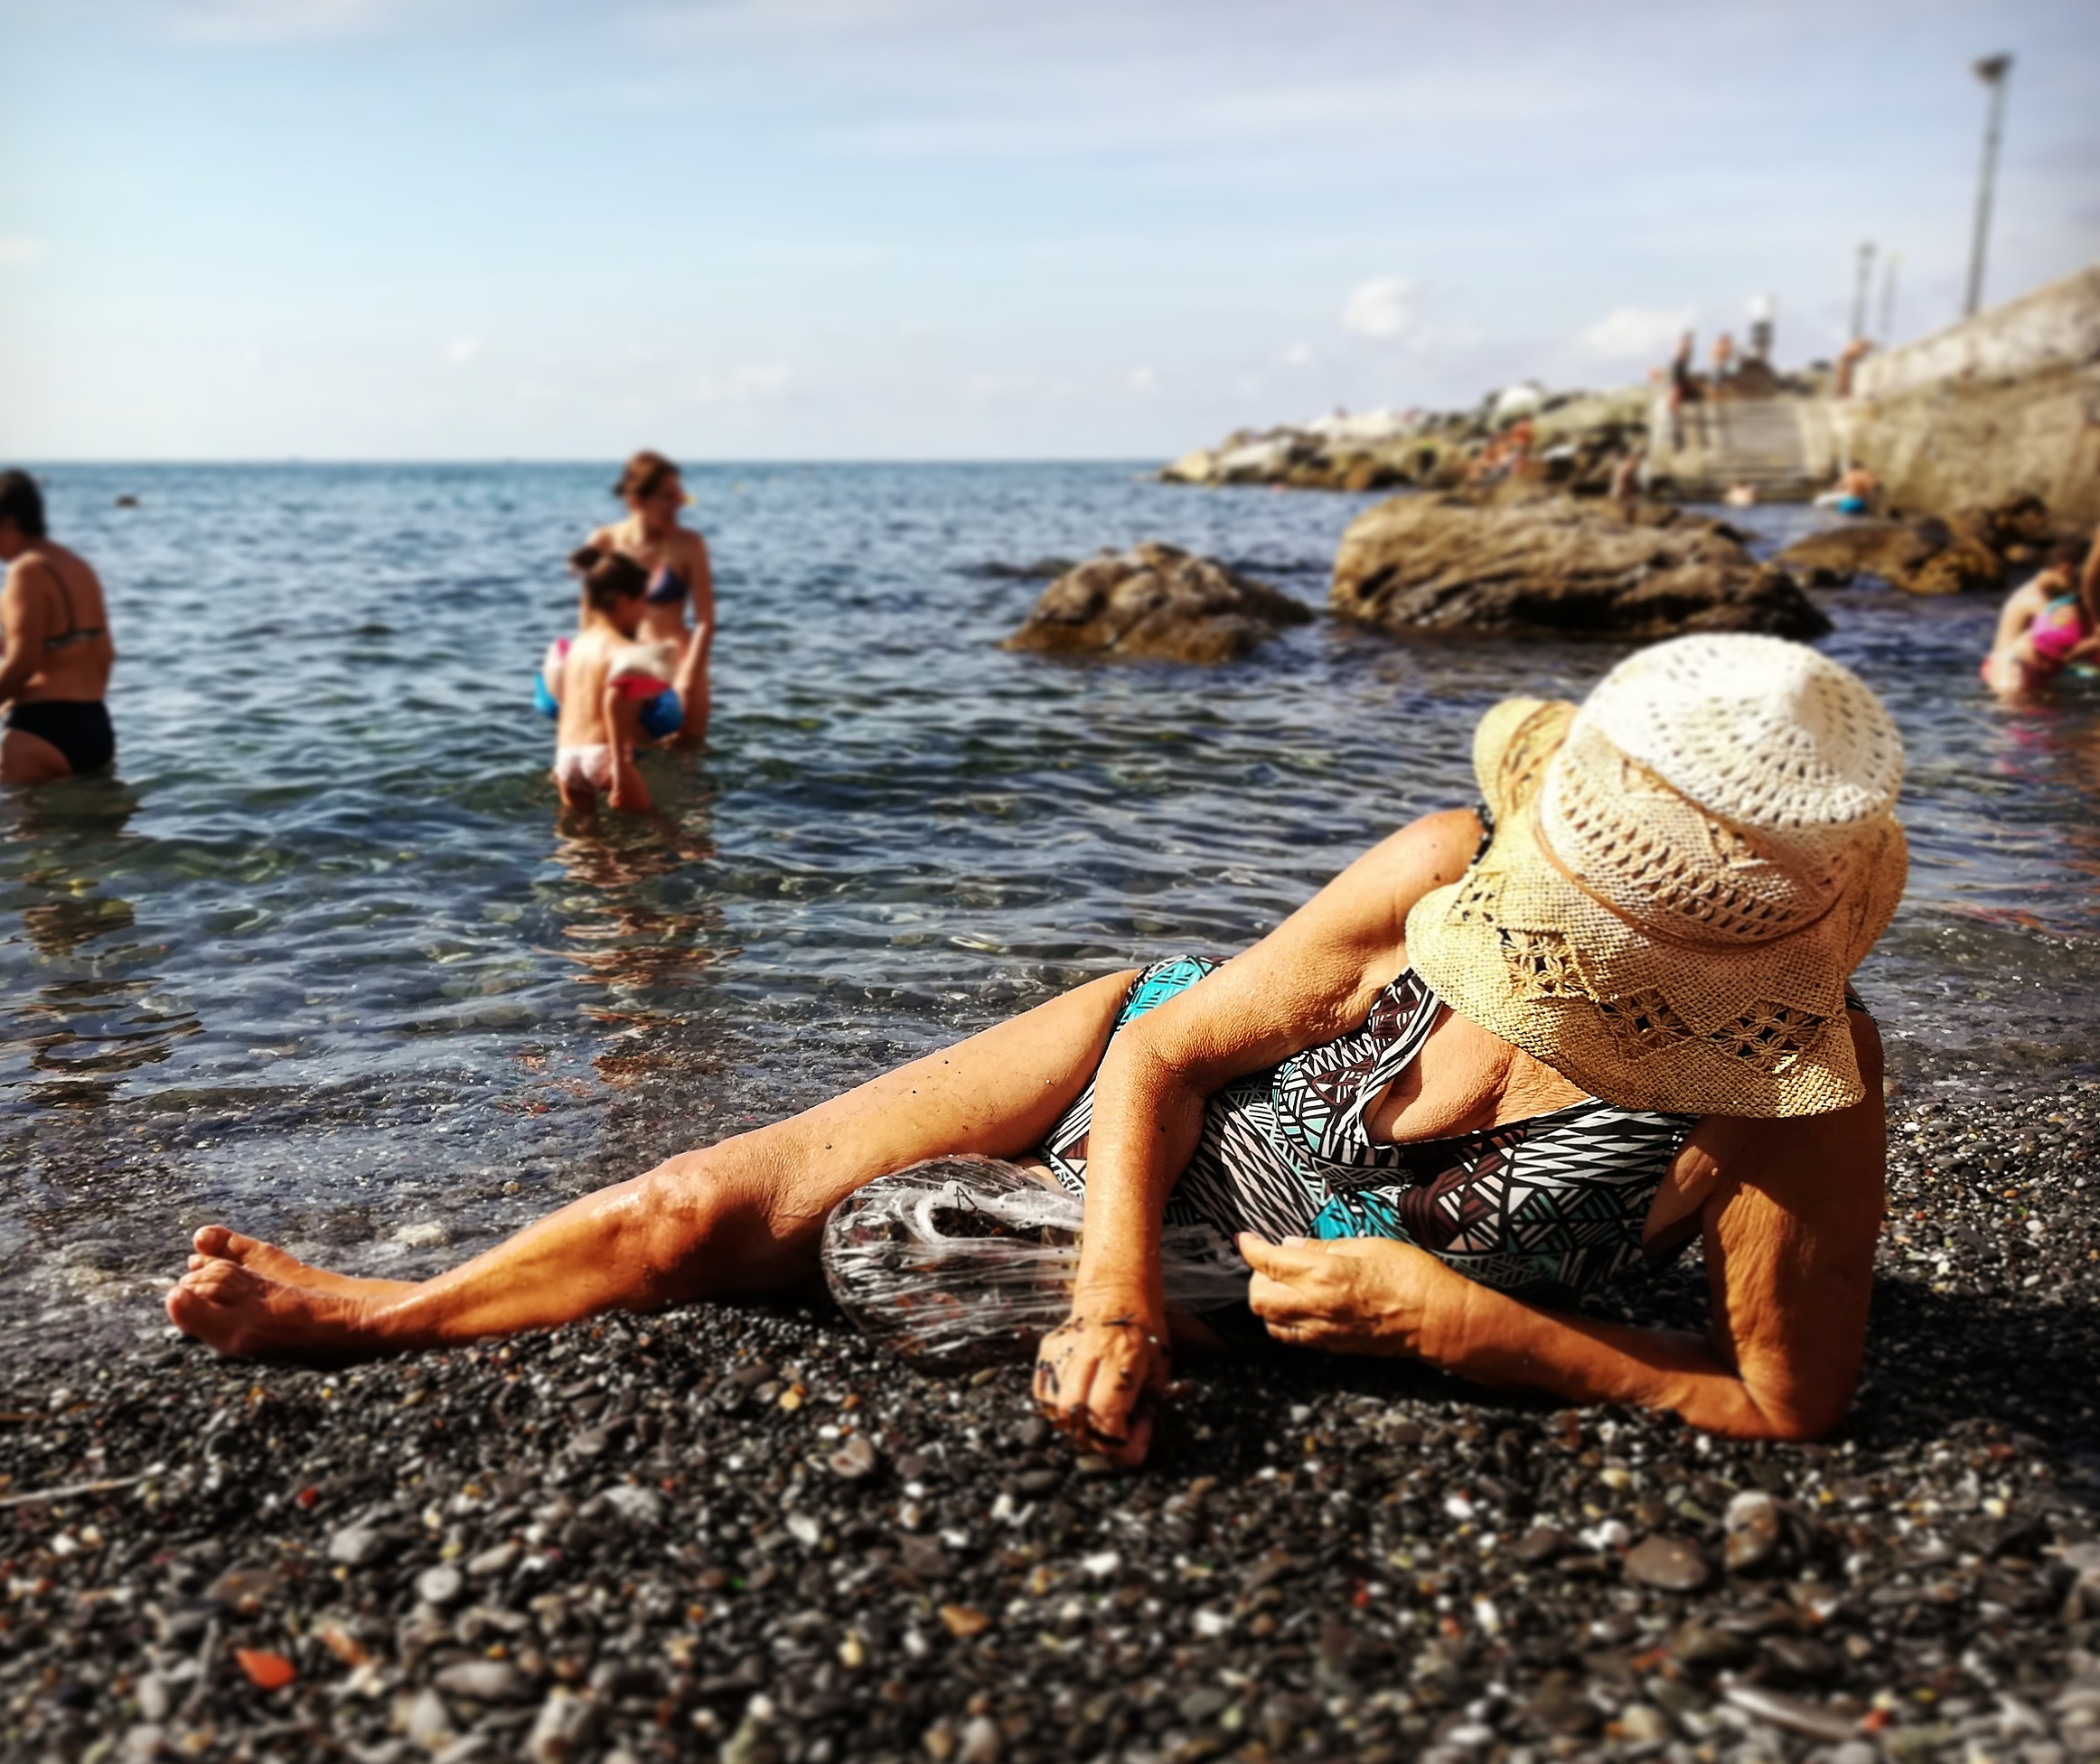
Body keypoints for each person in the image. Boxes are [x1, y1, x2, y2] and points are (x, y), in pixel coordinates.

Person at [167, 636, 1907, 1462]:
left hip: (1232, 1266)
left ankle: (401, 1311)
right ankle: (379, 1312)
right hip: (1127, 1091)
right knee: (698, 1208)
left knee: (776, 1268)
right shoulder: (1440, 868)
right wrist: (1115, 1292)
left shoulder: (1798, 1093)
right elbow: (1162, 1056)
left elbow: (1781, 1397)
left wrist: (1482, 1330)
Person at [0, 471, 116, 783]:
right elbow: (106, 653)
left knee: (19, 828)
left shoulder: (26, 571)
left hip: (40, 731)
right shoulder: (78, 567)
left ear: (7, 523)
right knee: (97, 829)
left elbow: (23, 662)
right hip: (95, 724)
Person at [547, 547, 713, 813]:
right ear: (625, 601)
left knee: (580, 839)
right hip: (604, 758)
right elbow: (615, 698)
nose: (644, 613)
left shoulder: (578, 647)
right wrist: (623, 768)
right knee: (657, 828)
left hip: (568, 758)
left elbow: (565, 698)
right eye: (643, 603)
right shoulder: (625, 652)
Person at [585, 450, 715, 741]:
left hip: (679, 662)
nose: (679, 503)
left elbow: (705, 621)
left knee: (689, 767)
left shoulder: (690, 545)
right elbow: (589, 621)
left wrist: (687, 678)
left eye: (679, 493)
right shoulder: (604, 542)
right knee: (628, 762)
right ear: (637, 501)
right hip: (626, 667)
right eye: (668, 496)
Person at [1982, 535, 2099, 700]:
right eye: (2078, 580)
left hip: (2011, 666)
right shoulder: (2036, 601)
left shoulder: (2042, 592)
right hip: (2012, 670)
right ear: (2066, 570)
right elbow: (2063, 646)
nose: (2078, 589)